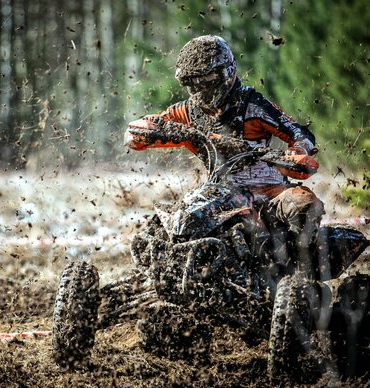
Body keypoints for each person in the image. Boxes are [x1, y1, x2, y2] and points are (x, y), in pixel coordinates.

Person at [125, 35, 325, 273]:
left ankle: (296, 274)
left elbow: (300, 134)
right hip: (220, 194)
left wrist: (295, 153)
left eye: (206, 81)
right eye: (193, 84)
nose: (201, 89)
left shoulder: (252, 105)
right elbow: (136, 136)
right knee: (170, 222)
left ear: (225, 73)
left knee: (303, 204)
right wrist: (145, 130)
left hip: (269, 193)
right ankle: (155, 275)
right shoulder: (186, 113)